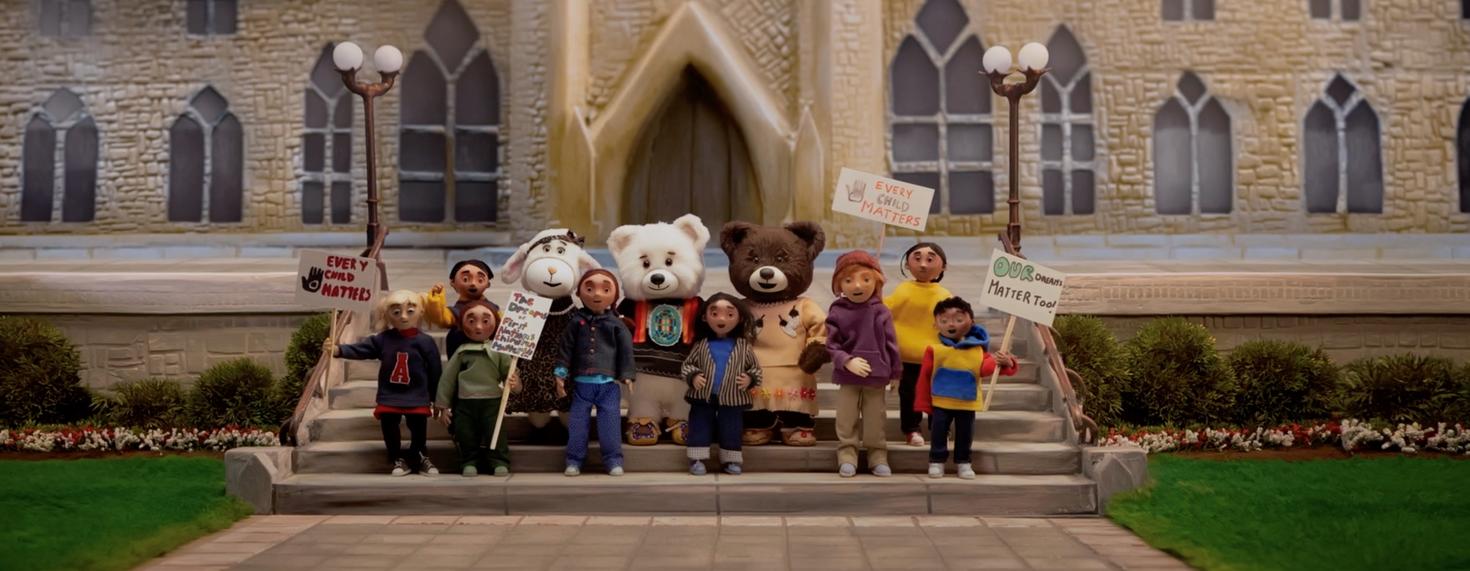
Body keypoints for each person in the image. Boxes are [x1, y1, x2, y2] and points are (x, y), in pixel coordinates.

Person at [334, 290, 442, 476]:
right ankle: (396, 458)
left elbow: (435, 371)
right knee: (389, 428)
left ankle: (419, 455)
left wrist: (437, 397)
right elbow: (362, 349)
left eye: (410, 310)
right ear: (387, 315)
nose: (404, 316)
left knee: (418, 430)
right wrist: (339, 350)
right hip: (390, 394)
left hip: (416, 395)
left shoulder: (426, 342)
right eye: (396, 312)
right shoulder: (383, 339)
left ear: (421, 312)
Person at [914, 297, 1018, 480]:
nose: (951, 324)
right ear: (936, 324)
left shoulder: (978, 351)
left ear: (971, 321)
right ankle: (936, 461)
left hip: (967, 402)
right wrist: (923, 402)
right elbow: (924, 378)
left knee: (965, 434)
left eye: (959, 320)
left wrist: (1005, 362)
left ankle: (964, 462)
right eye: (944, 321)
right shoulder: (934, 350)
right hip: (940, 400)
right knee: (938, 433)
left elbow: (986, 369)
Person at [825, 251, 902, 478]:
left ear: (876, 281)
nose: (857, 286)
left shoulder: (881, 311)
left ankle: (877, 455)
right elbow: (831, 344)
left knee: (875, 418)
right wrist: (846, 361)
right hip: (848, 376)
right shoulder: (837, 311)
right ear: (839, 284)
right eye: (849, 280)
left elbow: (892, 344)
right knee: (846, 417)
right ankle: (847, 455)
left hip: (876, 375)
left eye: (865, 279)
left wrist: (896, 372)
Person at [556, 269, 636, 476]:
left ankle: (613, 460)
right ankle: (574, 460)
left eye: (605, 289)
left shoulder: (616, 324)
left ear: (614, 294)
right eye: (590, 288)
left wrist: (627, 375)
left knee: (610, 425)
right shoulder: (575, 322)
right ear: (579, 292)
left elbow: (626, 351)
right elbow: (565, 348)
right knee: (577, 426)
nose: (597, 294)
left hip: (608, 385)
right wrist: (560, 373)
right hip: (581, 385)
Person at [435, 300, 520, 477]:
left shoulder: (500, 351)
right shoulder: (462, 352)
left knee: (495, 432)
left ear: (496, 323)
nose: (479, 327)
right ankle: (469, 461)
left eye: (486, 321)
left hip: (492, 401)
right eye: (471, 321)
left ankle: (499, 460)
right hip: (465, 402)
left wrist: (514, 382)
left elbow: (509, 373)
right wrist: (443, 406)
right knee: (465, 434)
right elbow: (447, 379)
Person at [680, 293, 762, 476]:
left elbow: (755, 369)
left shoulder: (743, 346)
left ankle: (731, 459)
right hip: (702, 396)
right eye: (715, 314)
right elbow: (687, 365)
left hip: (733, 397)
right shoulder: (701, 345)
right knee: (699, 425)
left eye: (729, 314)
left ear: (739, 319)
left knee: (731, 428)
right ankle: (697, 458)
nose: (722, 319)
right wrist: (693, 377)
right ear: (704, 317)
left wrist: (749, 379)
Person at [884, 242, 952, 446]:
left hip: (936, 356)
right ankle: (911, 429)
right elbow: (885, 311)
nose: (923, 264)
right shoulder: (902, 290)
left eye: (930, 259)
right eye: (917, 258)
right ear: (907, 264)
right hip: (906, 357)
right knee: (909, 395)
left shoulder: (944, 295)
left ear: (943, 266)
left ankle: (939, 427)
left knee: (938, 394)